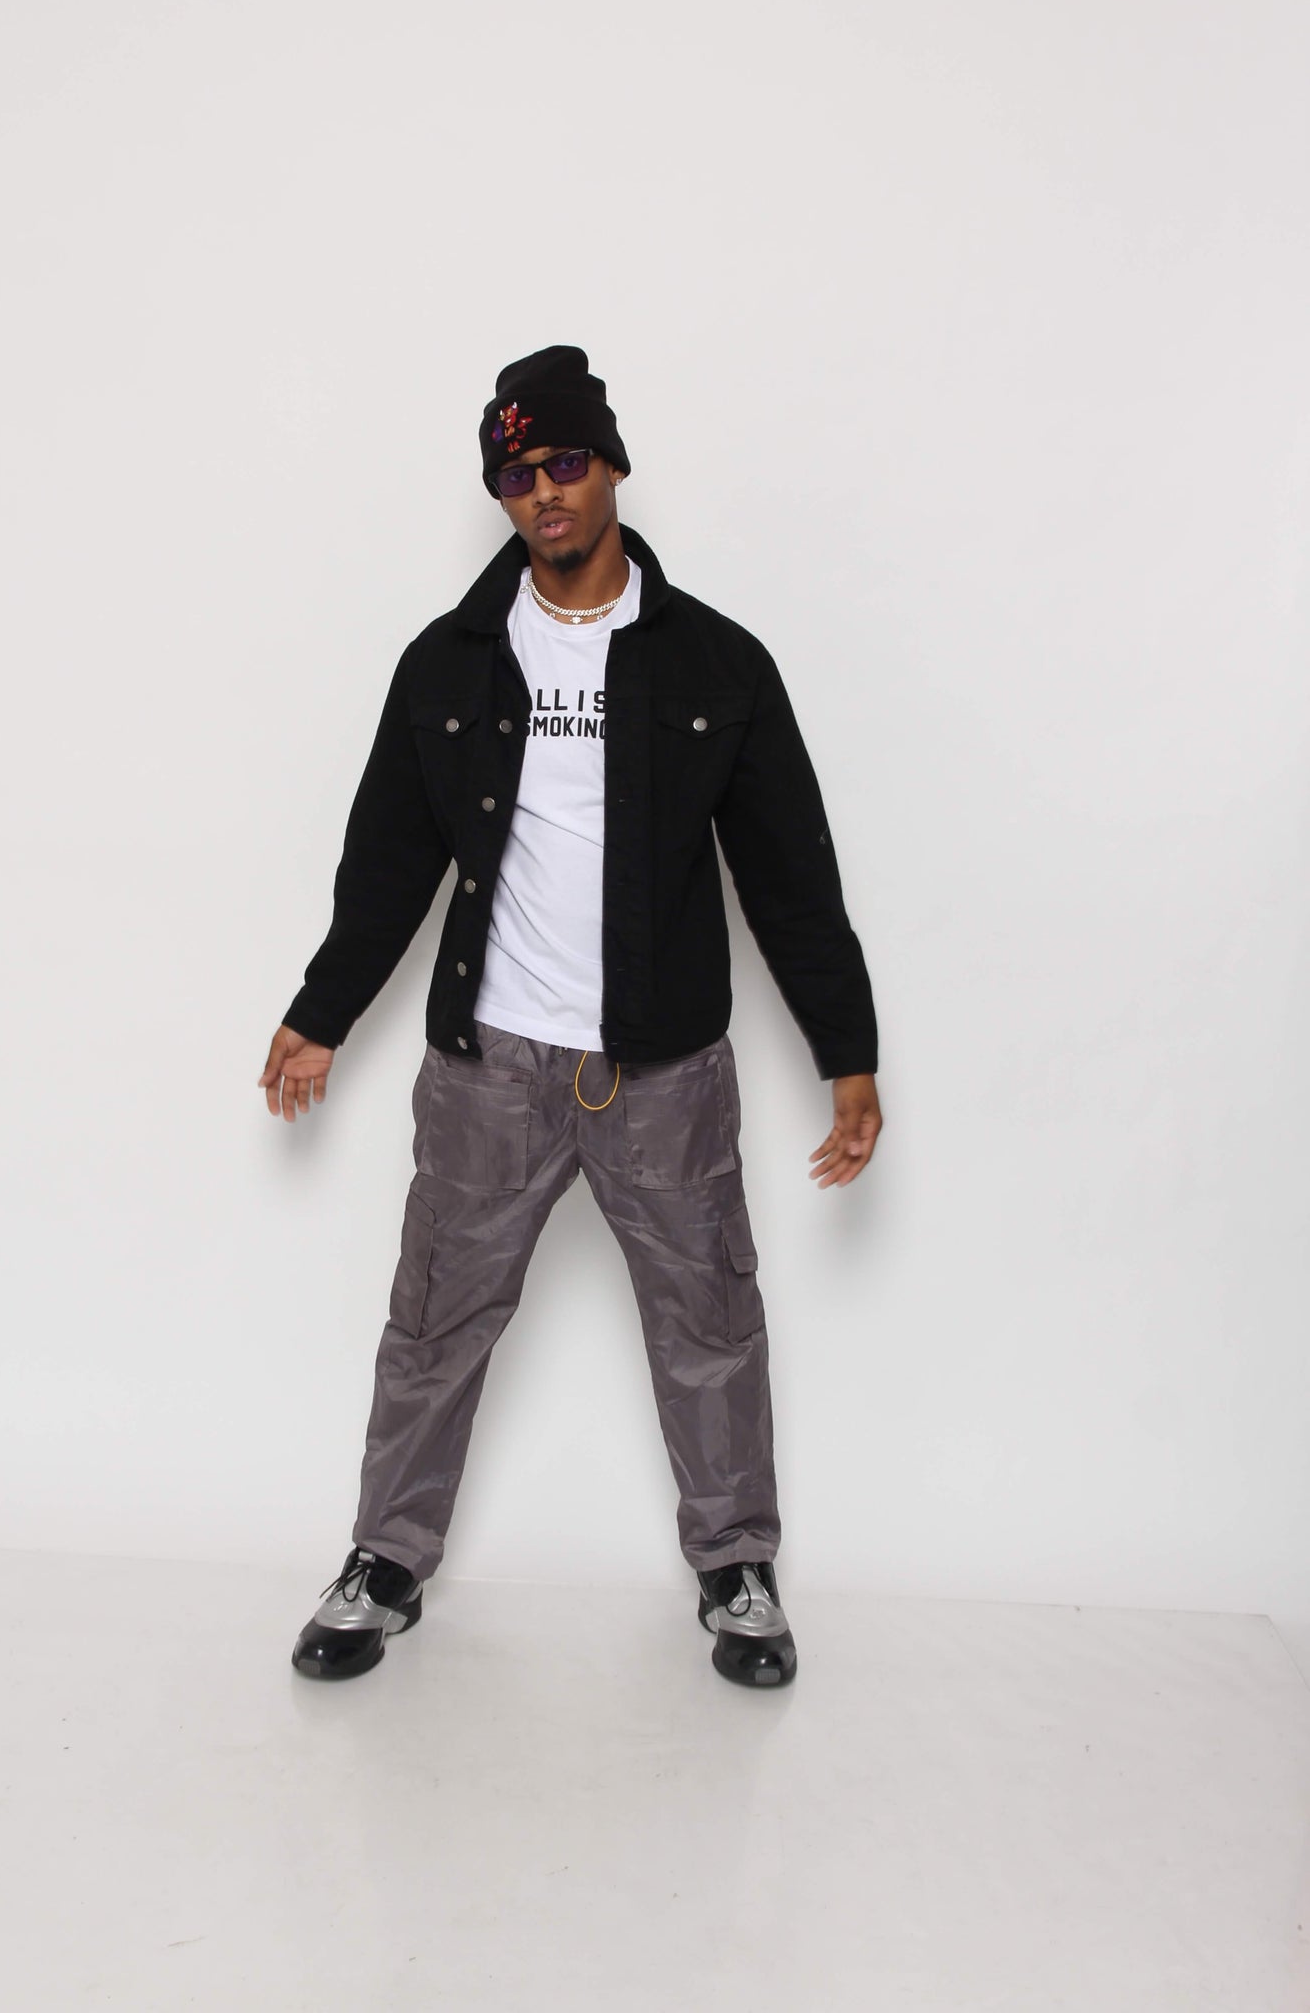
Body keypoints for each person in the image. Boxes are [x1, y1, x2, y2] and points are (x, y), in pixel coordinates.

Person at [259, 345, 883, 1689]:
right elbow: (388, 863)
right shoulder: (449, 663)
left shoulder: (716, 661)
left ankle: (736, 1565)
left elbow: (790, 876)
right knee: (434, 1324)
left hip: (664, 1074)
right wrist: (322, 1011)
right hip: (489, 1068)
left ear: (609, 467)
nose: (541, 491)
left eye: (562, 462)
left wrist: (848, 1054)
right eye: (514, 475)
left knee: (709, 1324)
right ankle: (384, 1560)